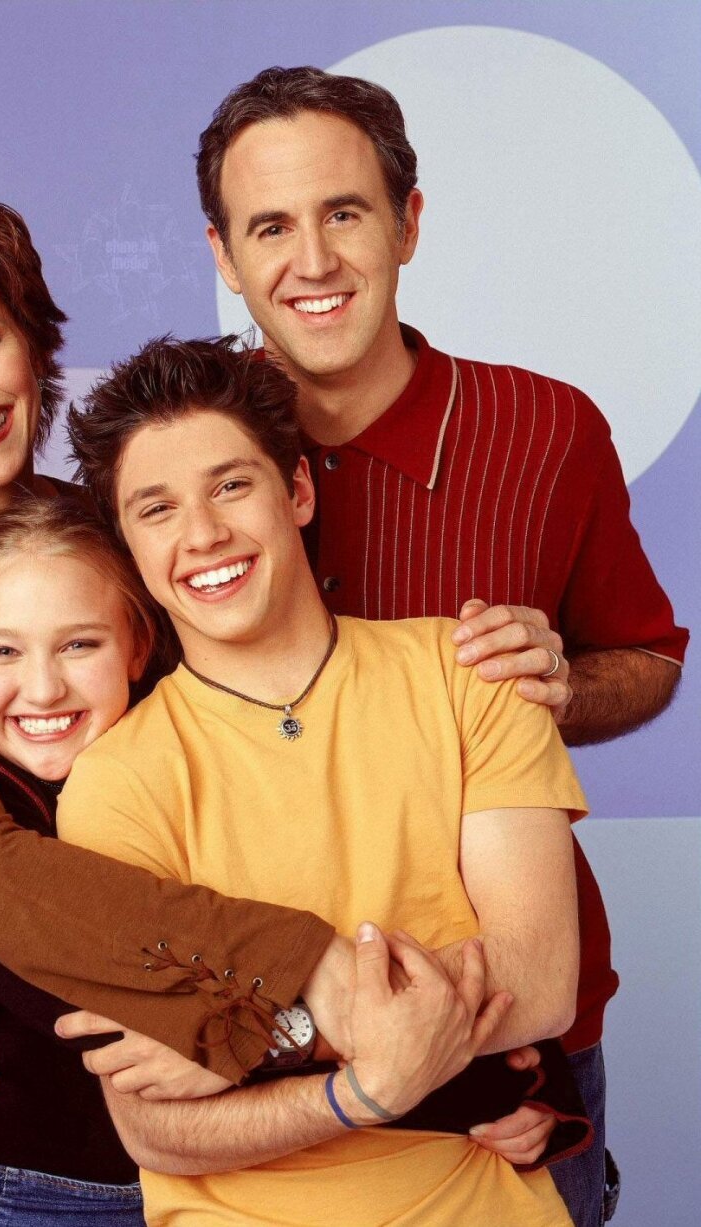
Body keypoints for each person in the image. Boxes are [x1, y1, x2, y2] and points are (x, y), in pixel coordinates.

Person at [0, 184, 359, 1227]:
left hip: (151, 1024)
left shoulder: (109, 531)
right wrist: (301, 971)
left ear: (35, 346)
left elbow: (236, 721)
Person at [192, 64, 690, 1225]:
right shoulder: (180, 446)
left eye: (344, 213)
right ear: (223, 255)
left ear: (407, 223)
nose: (312, 261)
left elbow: (649, 657)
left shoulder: (547, 430)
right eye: (270, 226)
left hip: (518, 1033)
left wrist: (559, 688)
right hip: (263, 1032)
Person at [62, 335, 587, 1226]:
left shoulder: (470, 674)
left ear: (297, 490)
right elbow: (155, 1124)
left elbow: (536, 979)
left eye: (232, 485)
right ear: (128, 547)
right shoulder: (113, 783)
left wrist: (251, 1036)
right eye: (156, 509)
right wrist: (364, 1088)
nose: (203, 534)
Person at [0, 495, 162, 1225]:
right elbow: (96, 1009)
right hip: (17, 1195)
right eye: (2, 651)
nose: (43, 688)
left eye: (79, 644)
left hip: (192, 1179)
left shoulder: (165, 766)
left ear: (137, 645)